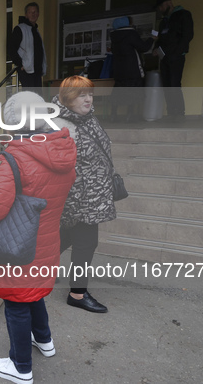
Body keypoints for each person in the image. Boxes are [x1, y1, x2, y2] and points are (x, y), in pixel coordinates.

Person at [0, 91, 77, 384]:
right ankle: (44, 341)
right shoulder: (63, 151)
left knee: (17, 300)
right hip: (45, 241)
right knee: (32, 292)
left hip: (17, 245)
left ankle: (20, 367)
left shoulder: (13, 158)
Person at [51, 75, 117, 313]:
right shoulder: (61, 124)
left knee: (64, 238)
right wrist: (76, 198)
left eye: (90, 94)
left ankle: (37, 269)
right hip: (78, 196)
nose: (88, 99)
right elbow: (59, 166)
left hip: (93, 192)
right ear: (68, 98)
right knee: (86, 242)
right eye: (81, 95)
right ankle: (77, 294)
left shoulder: (86, 117)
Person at [153, 0, 194, 120]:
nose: (160, 10)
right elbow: (160, 38)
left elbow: (188, 35)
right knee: (166, 85)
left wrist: (176, 52)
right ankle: (171, 112)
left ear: (168, 4)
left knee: (174, 84)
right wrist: (156, 49)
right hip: (164, 58)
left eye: (160, 7)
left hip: (176, 57)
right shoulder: (164, 22)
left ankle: (179, 112)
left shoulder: (184, 15)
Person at [110, 16, 154, 122]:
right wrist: (152, 39)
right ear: (128, 23)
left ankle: (113, 114)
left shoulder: (114, 36)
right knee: (133, 91)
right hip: (132, 69)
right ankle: (129, 115)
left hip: (118, 70)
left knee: (118, 91)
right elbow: (143, 47)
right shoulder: (131, 34)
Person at [8, 2, 47, 90]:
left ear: (38, 14)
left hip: (37, 71)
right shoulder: (20, 29)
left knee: (36, 99)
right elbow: (11, 48)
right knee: (30, 98)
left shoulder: (35, 31)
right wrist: (20, 64)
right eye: (30, 12)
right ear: (26, 14)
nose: (33, 14)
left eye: (35, 12)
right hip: (26, 70)